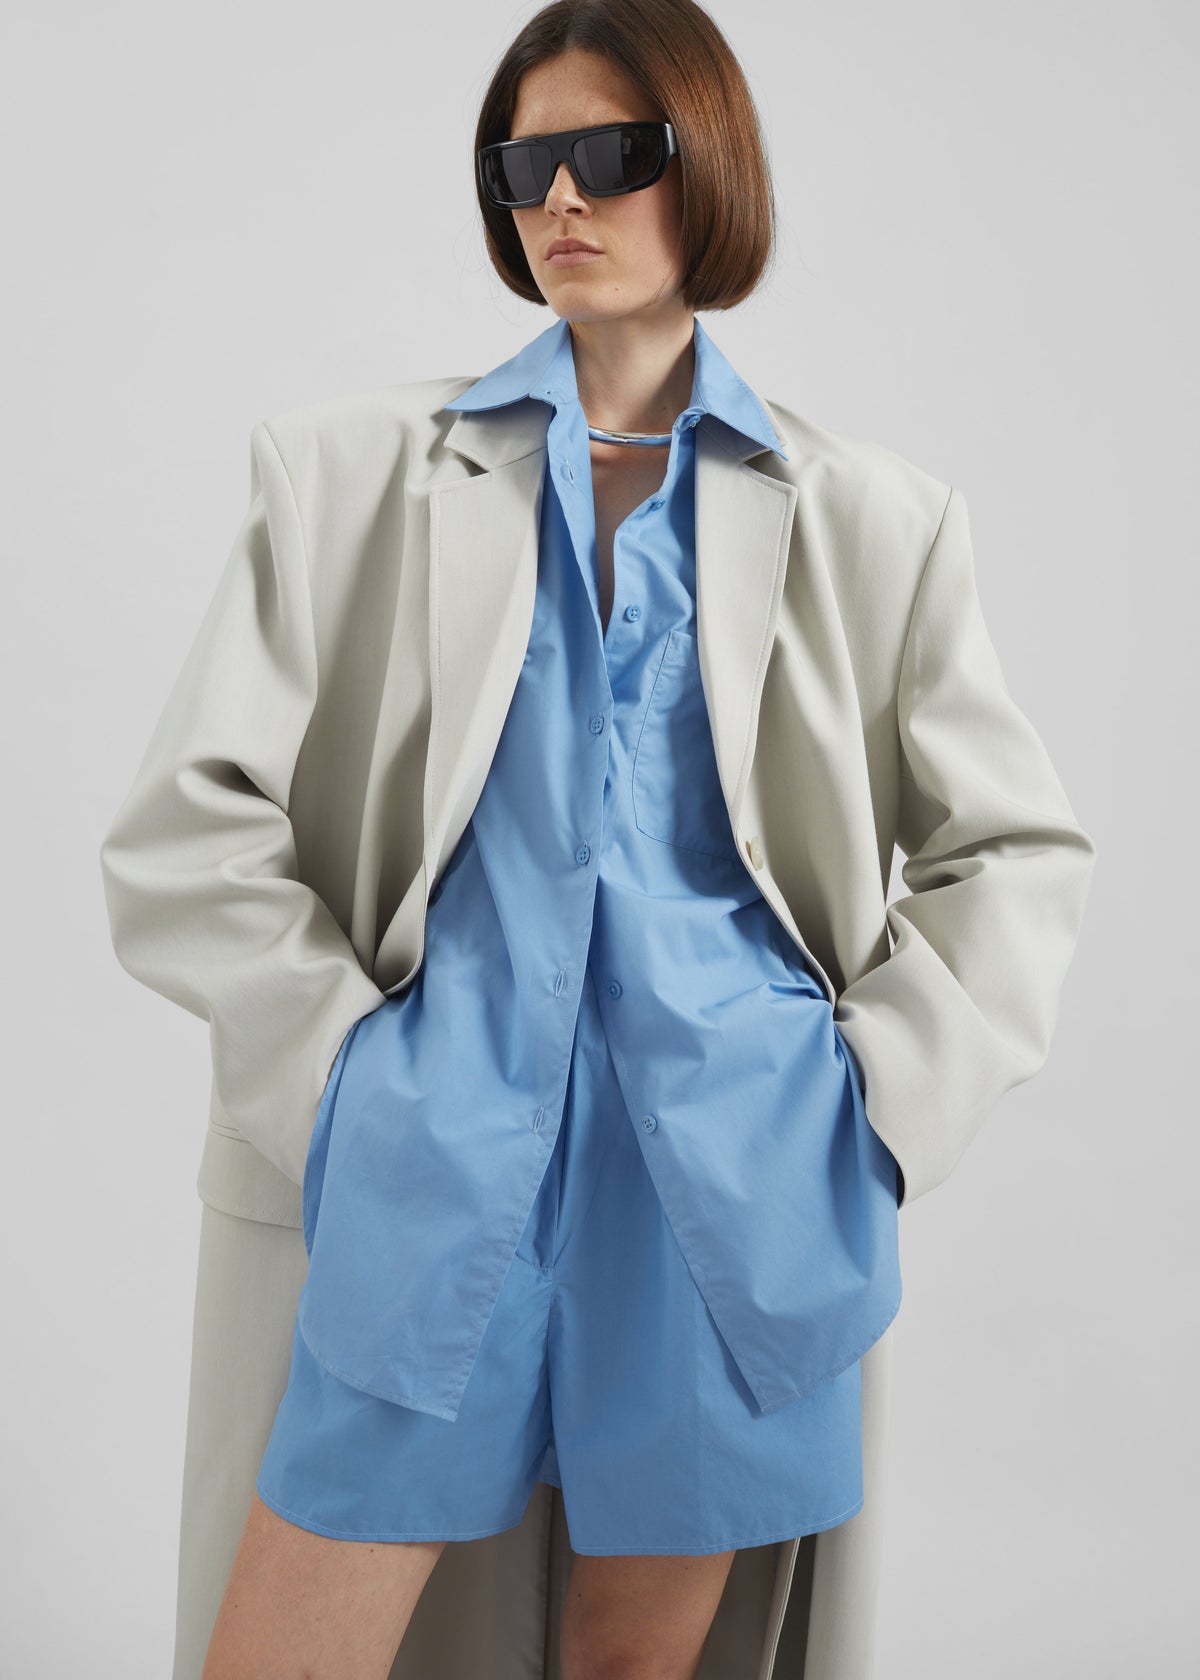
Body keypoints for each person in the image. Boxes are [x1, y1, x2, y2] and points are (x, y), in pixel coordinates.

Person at [98, 3, 1097, 1678]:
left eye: (611, 154)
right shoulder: (346, 474)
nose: (560, 197)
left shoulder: (877, 517)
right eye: (524, 165)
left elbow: (1015, 850)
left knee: (640, 1667)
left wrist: (865, 1112)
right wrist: (340, 1082)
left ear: (713, 169)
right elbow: (182, 828)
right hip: (429, 1162)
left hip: (736, 1188)